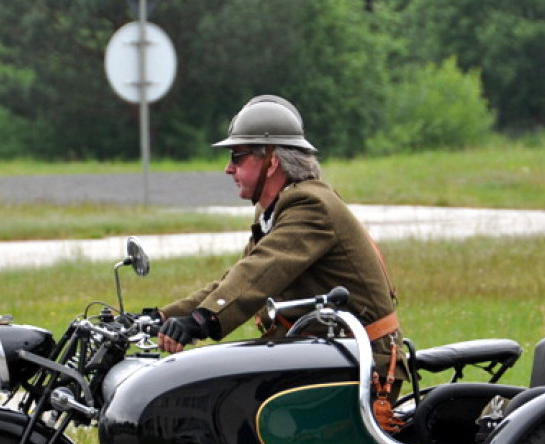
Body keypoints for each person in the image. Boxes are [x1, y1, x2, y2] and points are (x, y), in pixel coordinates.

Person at [157, 95, 406, 427]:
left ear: (271, 161)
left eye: (237, 156)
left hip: (363, 366)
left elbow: (259, 274)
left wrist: (201, 321)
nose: (228, 168)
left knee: (231, 418)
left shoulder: (309, 205)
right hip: (326, 353)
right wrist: (163, 316)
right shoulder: (276, 209)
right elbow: (234, 278)